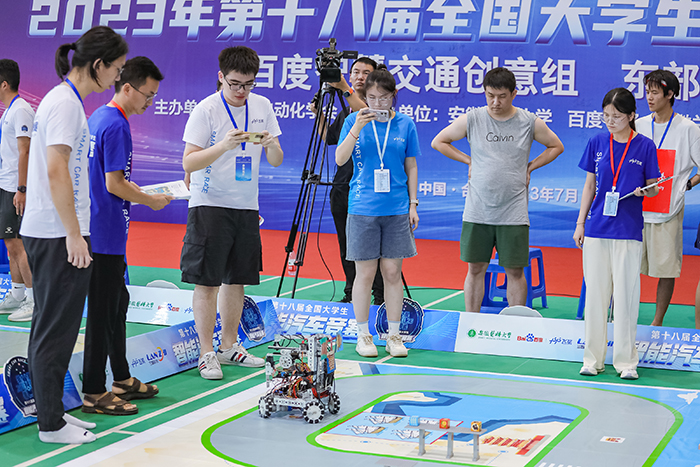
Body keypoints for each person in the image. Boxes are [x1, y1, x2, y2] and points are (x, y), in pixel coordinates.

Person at [20, 25, 128, 444]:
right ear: (98, 65)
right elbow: (55, 170)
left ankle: (52, 412)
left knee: (51, 327)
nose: (117, 76)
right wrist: (73, 234)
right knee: (56, 331)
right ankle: (50, 425)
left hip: (52, 229)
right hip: (55, 233)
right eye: (116, 68)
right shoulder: (65, 104)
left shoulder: (65, 101)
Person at [181, 46, 283, 380]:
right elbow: (189, 162)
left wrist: (271, 145)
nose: (241, 91)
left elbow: (277, 160)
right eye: (235, 83)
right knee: (207, 281)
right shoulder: (206, 110)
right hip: (209, 203)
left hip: (246, 205)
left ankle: (228, 346)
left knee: (237, 279)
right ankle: (206, 352)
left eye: (248, 84)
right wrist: (223, 146)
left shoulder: (262, 106)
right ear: (221, 77)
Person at [431, 67, 564, 312]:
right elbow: (439, 141)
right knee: (475, 268)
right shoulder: (473, 118)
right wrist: (469, 161)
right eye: (490, 95)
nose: (495, 102)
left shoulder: (528, 121)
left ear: (514, 93)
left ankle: (515, 324)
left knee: (514, 270)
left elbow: (556, 146)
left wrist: (531, 166)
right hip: (477, 209)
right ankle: (472, 321)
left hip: (513, 210)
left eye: (502, 96)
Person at [82, 57, 172, 416]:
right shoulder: (116, 125)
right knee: (103, 312)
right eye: (148, 95)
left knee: (117, 305)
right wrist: (150, 200)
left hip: (105, 229)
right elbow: (114, 183)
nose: (150, 102)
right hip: (104, 233)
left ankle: (121, 377)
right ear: (128, 88)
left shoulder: (99, 117)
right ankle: (93, 391)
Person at [573, 87, 660, 380]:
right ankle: (592, 359)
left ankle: (626, 362)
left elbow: (654, 187)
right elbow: (589, 185)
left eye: (617, 116)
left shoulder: (645, 146)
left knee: (625, 298)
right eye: (606, 116)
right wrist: (580, 223)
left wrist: (646, 191)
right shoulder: (597, 142)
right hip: (597, 229)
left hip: (628, 230)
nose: (610, 121)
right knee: (596, 296)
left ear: (631, 116)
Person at [335, 65, 420, 358]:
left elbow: (411, 165)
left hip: (396, 208)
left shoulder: (405, 124)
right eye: (372, 97)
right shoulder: (353, 120)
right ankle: (364, 335)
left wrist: (413, 203)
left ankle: (394, 336)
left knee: (392, 272)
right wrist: (356, 128)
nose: (378, 103)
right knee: (365, 274)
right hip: (362, 208)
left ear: (394, 95)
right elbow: (340, 158)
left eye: (383, 98)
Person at [312, 57, 384, 304]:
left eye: (366, 72)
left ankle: (380, 294)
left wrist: (344, 88)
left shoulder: (377, 108)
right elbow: (330, 139)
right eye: (356, 72)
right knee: (347, 244)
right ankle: (351, 291)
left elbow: (366, 111)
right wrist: (319, 115)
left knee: (374, 246)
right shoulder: (346, 112)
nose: (360, 76)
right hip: (342, 187)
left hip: (369, 190)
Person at [636, 70, 700, 326]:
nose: (649, 98)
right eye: (647, 92)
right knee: (628, 266)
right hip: (636, 209)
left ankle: (657, 322)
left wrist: (688, 184)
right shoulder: (638, 124)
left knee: (666, 269)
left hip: (668, 210)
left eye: (655, 92)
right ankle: (624, 318)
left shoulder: (688, 129)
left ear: (670, 94)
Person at [0, 59, 34, 322]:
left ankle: (34, 300)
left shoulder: (21, 110)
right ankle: (18, 294)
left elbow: (25, 151)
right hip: (6, 185)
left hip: (16, 188)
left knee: (19, 245)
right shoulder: (9, 111)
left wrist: (22, 189)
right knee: (10, 243)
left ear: (4, 84)